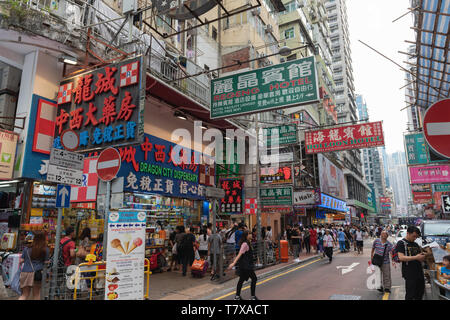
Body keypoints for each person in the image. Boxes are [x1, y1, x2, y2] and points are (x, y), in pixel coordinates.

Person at [396, 226, 426, 300]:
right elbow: (401, 257)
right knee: (410, 294)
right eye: (414, 236)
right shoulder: (401, 243)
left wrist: (424, 255)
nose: (415, 238)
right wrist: (416, 257)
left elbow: (419, 256)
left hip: (419, 272)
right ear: (408, 233)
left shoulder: (415, 244)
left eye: (416, 237)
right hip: (409, 273)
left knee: (420, 292)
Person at [227, 230, 258, 300]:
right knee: (254, 278)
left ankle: (237, 297)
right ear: (246, 236)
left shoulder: (248, 243)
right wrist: (233, 263)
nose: (251, 235)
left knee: (241, 280)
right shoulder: (245, 244)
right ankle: (253, 297)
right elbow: (239, 254)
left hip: (245, 266)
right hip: (246, 266)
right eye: (249, 234)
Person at [19, 231, 49, 300]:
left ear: (34, 238)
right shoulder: (45, 249)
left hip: (25, 272)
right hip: (37, 273)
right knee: (36, 294)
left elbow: (21, 260)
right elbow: (46, 262)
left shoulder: (27, 249)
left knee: (24, 295)